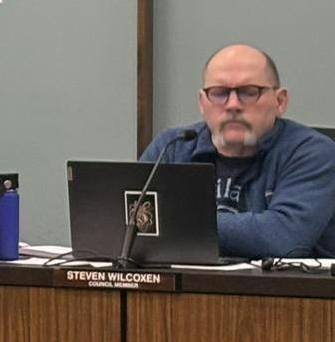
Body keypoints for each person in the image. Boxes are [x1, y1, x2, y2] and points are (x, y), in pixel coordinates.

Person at [141, 43, 335, 258]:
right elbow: (129, 224)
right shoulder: (174, 147)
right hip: (181, 289)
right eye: (219, 93)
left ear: (280, 101)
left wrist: (175, 223)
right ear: (202, 103)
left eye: (249, 92)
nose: (233, 104)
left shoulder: (312, 153)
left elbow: (284, 238)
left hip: (283, 290)